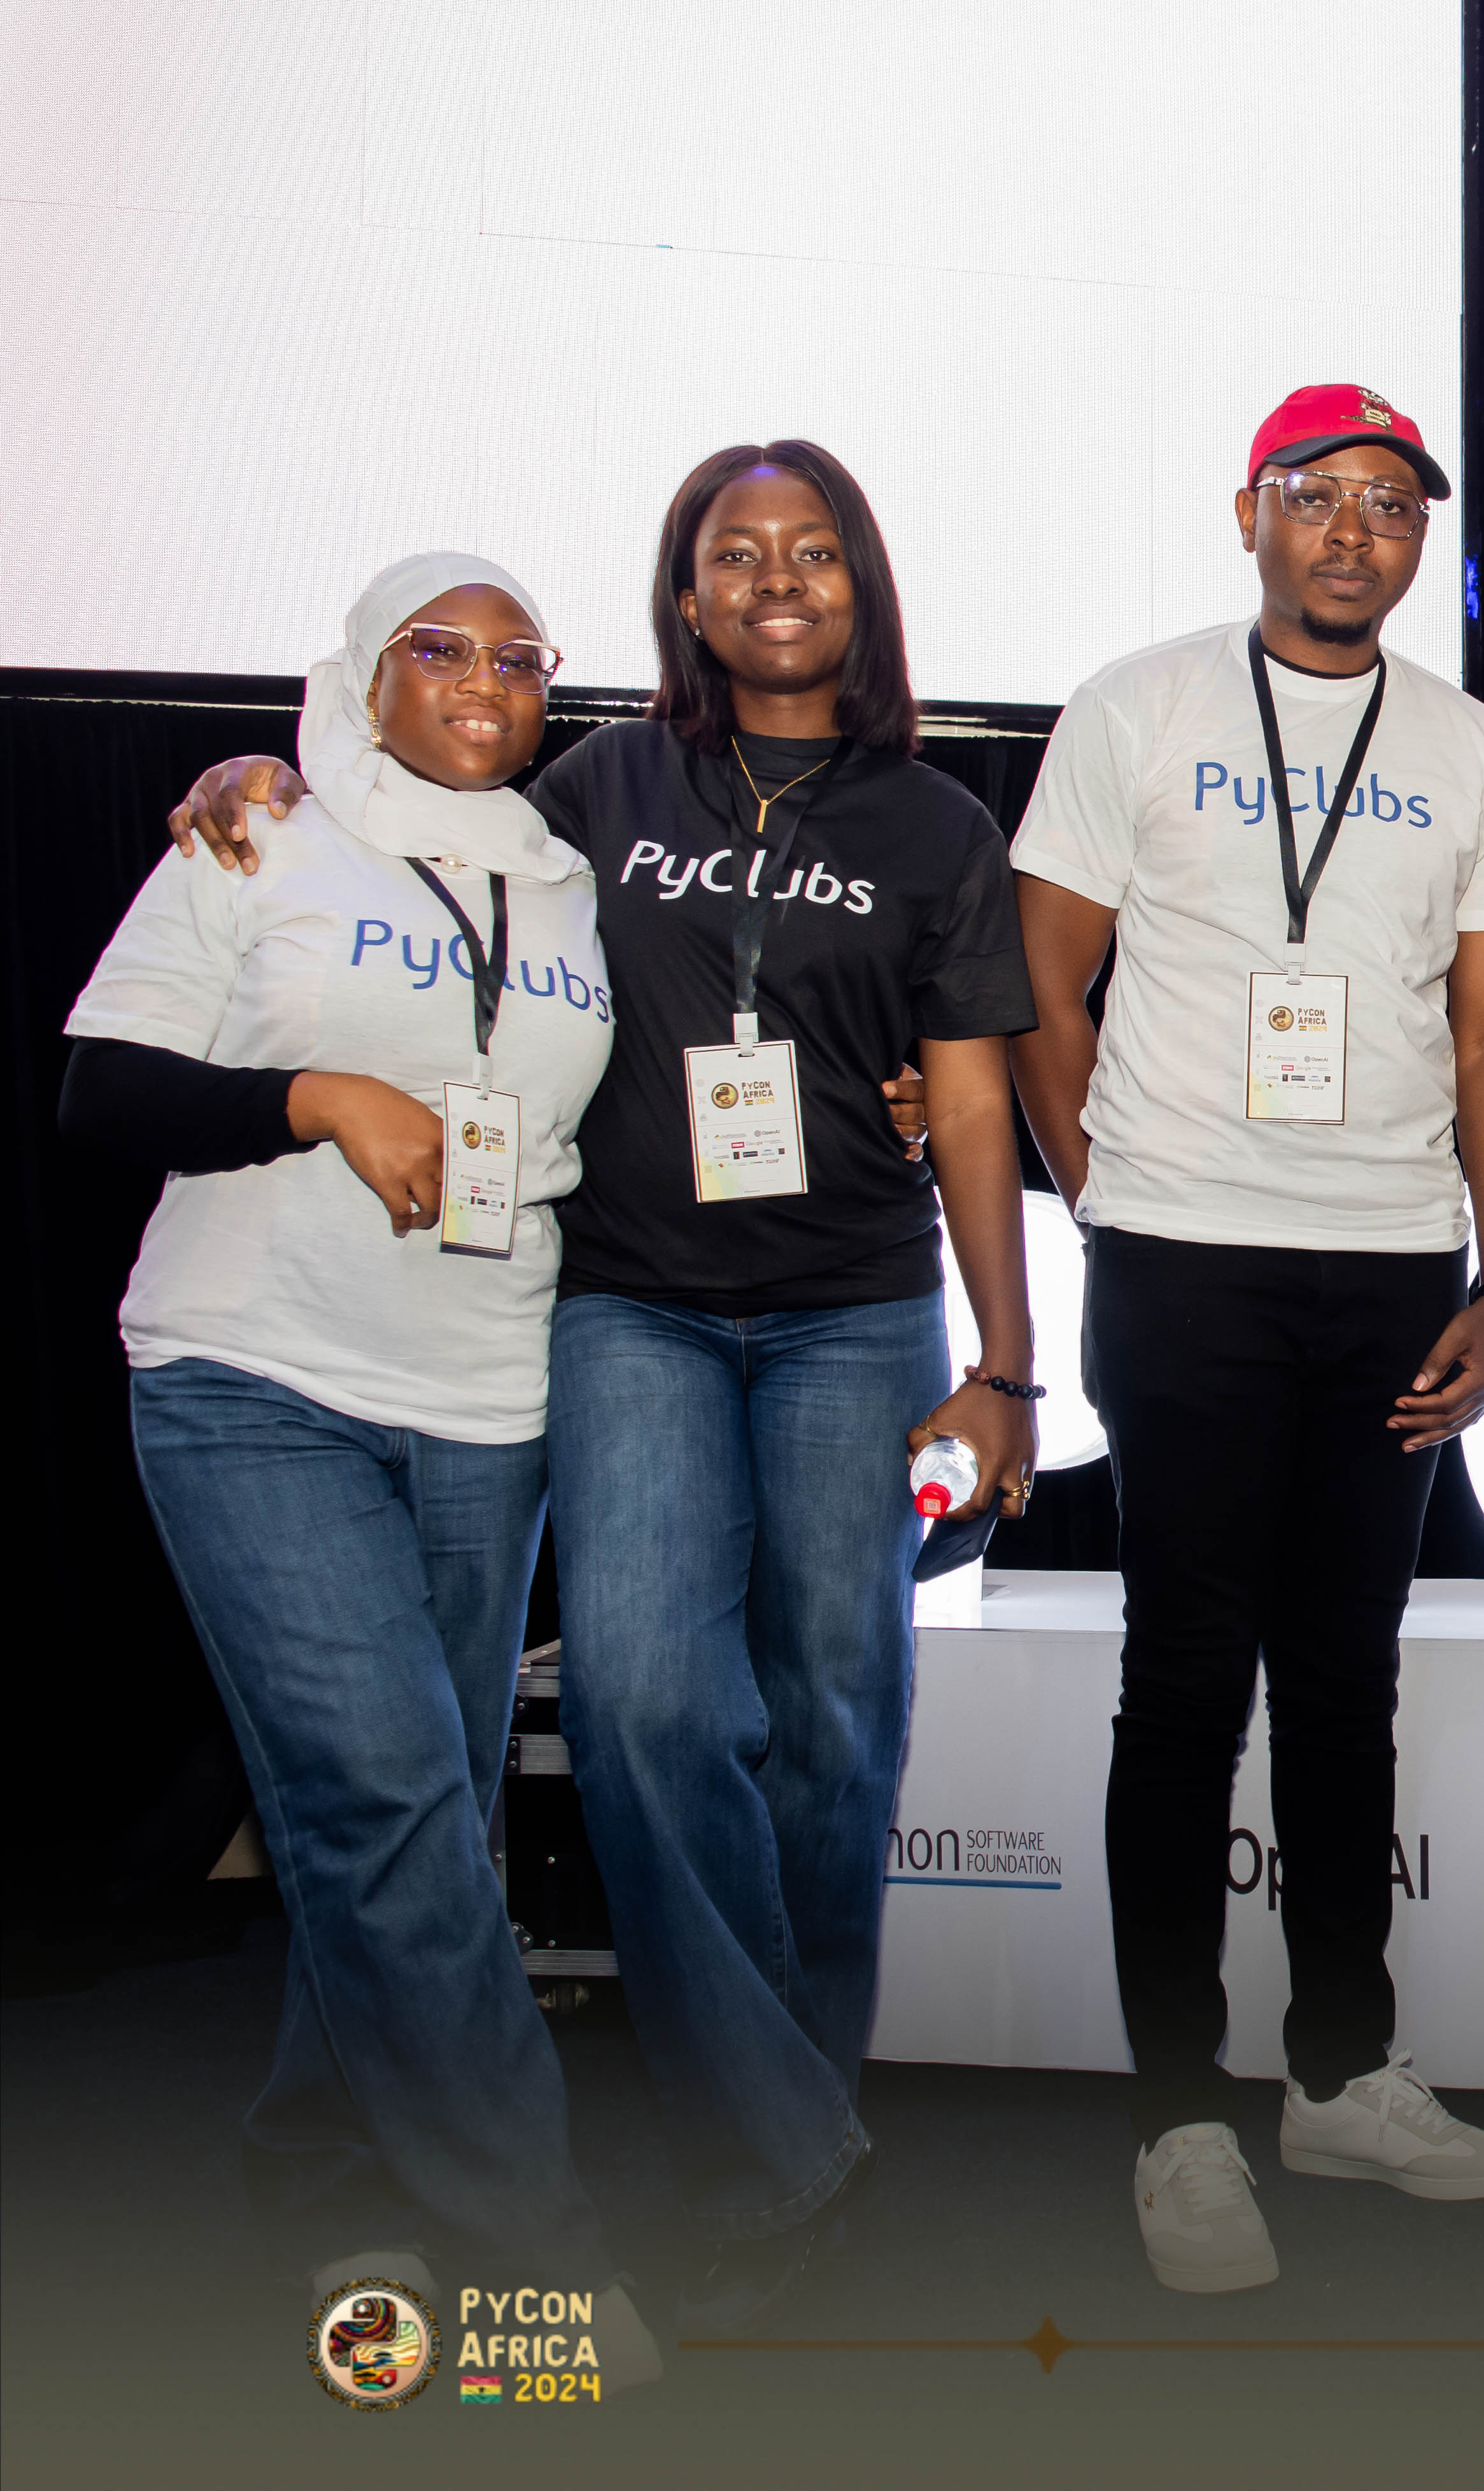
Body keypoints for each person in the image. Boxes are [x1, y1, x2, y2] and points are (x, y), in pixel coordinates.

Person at [170, 443, 1040, 2334]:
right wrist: (259, 777)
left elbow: (968, 1099)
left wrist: (1006, 1368)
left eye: (816, 552)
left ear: (863, 589)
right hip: (630, 1307)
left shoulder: (937, 828)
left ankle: (774, 2128)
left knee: (832, 1718)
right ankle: (775, 2129)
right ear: (686, 601)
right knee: (647, 1708)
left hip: (848, 1313)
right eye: (738, 555)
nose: (779, 579)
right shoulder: (588, 787)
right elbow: (413, 823)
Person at [67, 553, 651, 2370]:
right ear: (365, 670)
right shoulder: (260, 836)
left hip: (486, 1398)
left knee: (395, 1821)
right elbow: (101, 1090)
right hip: (255, 1379)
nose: (483, 680)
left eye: (518, 657)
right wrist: (319, 1096)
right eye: (439, 648)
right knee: (392, 1809)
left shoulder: (569, 884)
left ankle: (323, 2171)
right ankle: (531, 2255)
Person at [1009, 386, 1484, 2297]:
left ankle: (1340, 2075)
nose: (1351, 532)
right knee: (1183, 1680)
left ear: (1419, 539)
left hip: (1395, 1267)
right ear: (1249, 513)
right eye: (1316, 498)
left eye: (1389, 504)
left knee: (1345, 1684)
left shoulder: (1473, 751)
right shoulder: (1137, 706)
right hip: (1185, 1265)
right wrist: (1108, 1200)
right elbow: (1036, 983)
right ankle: (1178, 2113)